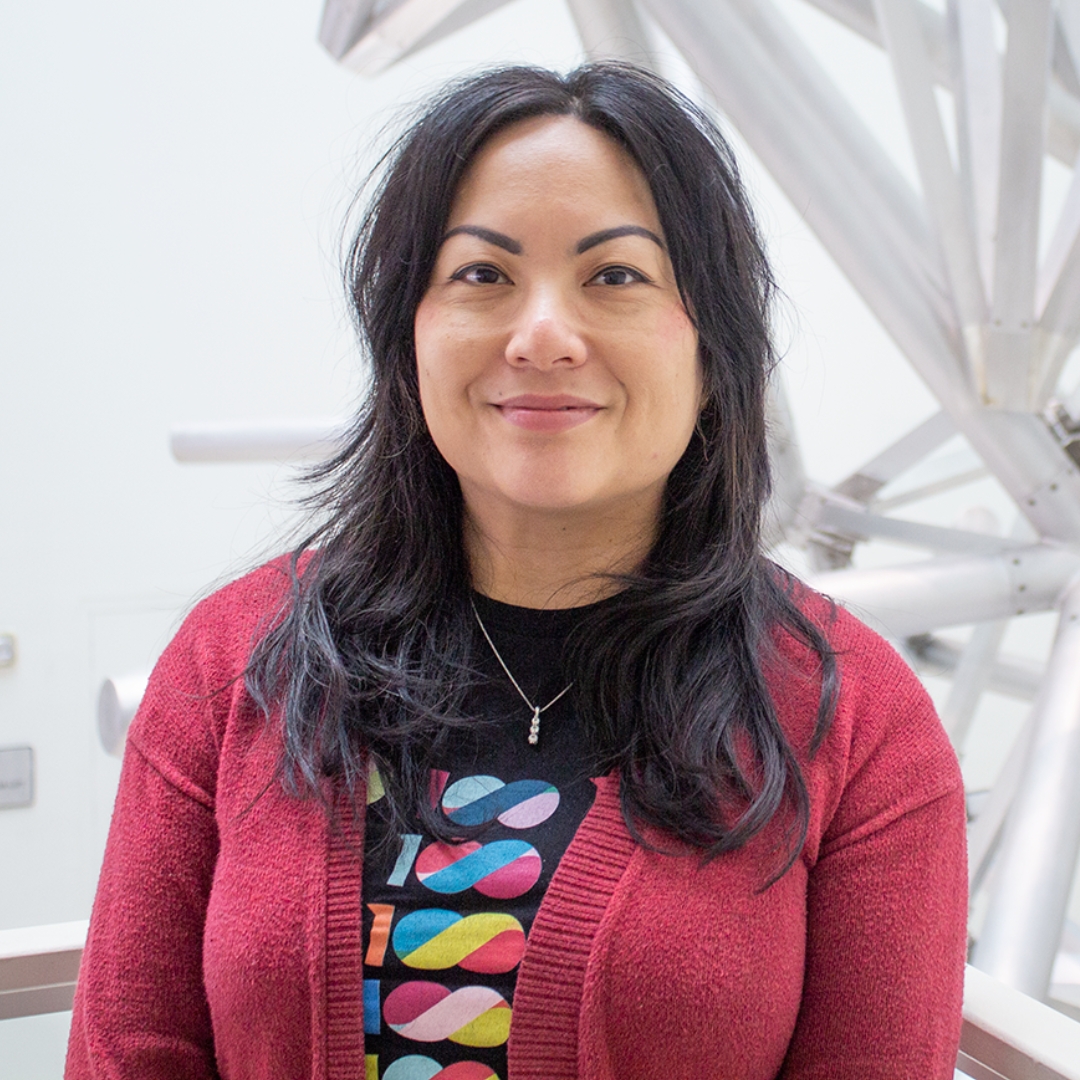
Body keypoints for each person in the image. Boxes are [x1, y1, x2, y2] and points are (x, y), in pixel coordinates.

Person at [66, 63, 967, 1080]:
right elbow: (127, 1054)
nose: (542, 335)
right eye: (483, 276)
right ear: (406, 334)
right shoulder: (235, 663)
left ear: (712, 349)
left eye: (616, 277)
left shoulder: (854, 722)